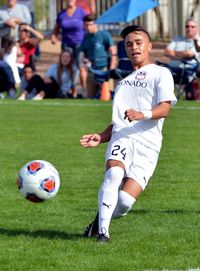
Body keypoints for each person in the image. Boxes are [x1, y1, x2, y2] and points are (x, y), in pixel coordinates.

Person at [80, 25, 177, 242]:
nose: (134, 47)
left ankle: (97, 223)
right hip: (123, 137)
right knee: (114, 174)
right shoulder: (122, 83)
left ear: (149, 46)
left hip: (149, 145)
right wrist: (101, 136)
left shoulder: (161, 73)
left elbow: (165, 109)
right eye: (129, 45)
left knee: (123, 202)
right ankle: (103, 234)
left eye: (138, 43)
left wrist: (141, 114)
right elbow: (118, 121)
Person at [79, 14, 117, 98]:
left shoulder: (104, 35)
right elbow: (83, 53)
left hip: (104, 70)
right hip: (91, 71)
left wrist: (111, 70)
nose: (88, 27)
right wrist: (85, 60)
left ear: (96, 24)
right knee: (90, 98)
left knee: (107, 97)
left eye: (90, 25)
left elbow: (113, 52)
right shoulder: (86, 37)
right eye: (86, 25)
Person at [164, 17, 200, 84]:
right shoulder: (178, 38)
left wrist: (173, 54)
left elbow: (189, 54)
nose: (189, 29)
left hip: (186, 71)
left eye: (192, 27)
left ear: (197, 28)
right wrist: (182, 56)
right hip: (171, 69)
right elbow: (166, 52)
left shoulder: (197, 41)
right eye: (187, 26)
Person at [51, 0, 87, 65]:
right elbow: (56, 29)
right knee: (66, 64)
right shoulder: (61, 14)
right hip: (66, 44)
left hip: (79, 43)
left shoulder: (81, 12)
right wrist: (54, 36)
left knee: (79, 64)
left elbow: (88, 25)